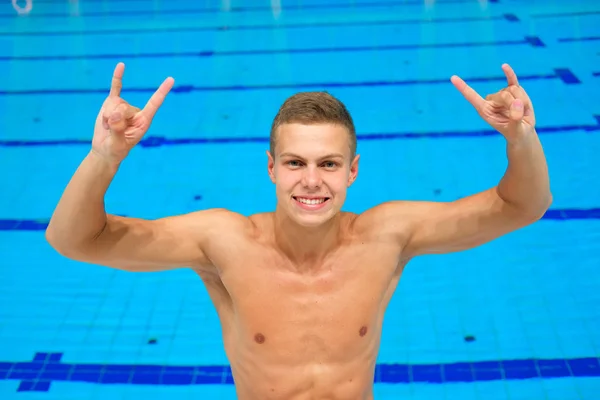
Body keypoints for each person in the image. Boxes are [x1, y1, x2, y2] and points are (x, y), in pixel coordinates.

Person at [46, 62, 552, 399]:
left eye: (329, 164)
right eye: (295, 163)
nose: (312, 181)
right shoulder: (225, 242)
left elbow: (523, 205)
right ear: (270, 167)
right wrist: (104, 157)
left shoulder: (387, 236)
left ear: (353, 171)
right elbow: (73, 239)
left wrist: (520, 137)